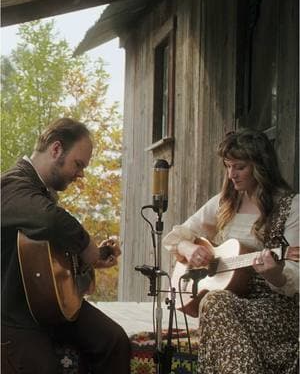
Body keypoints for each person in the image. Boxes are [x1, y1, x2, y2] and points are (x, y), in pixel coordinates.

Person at [163, 129, 299, 374]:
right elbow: (176, 237)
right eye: (227, 166)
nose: (231, 175)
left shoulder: (291, 206)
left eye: (239, 167)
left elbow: (294, 277)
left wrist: (273, 274)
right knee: (215, 302)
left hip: (275, 307)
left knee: (214, 304)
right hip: (229, 299)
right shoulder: (225, 201)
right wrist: (189, 248)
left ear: (260, 166)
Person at [1, 117, 131, 374]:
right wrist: (86, 244)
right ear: (56, 149)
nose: (81, 174)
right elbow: (49, 220)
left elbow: (47, 258)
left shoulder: (42, 192)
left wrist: (92, 259)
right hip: (12, 316)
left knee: (114, 341)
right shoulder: (12, 184)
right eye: (78, 164)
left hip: (47, 308)